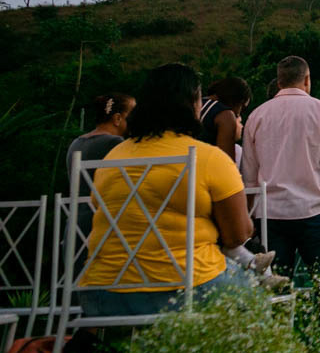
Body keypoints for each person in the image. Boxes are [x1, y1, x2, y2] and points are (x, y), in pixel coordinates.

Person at [80, 63, 253, 316]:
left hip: (103, 293)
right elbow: (238, 235)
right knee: (257, 293)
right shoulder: (208, 158)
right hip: (182, 289)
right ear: (194, 105)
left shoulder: (113, 158)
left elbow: (99, 208)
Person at [241, 55, 320, 277]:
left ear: (279, 83)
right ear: (307, 79)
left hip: (270, 215)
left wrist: (252, 217)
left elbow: (249, 178)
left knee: (275, 289)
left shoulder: (256, 116)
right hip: (312, 210)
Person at [65, 93, 135, 237]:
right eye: (133, 113)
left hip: (75, 221)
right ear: (117, 118)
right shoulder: (114, 143)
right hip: (100, 223)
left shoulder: (76, 142)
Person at [198, 77, 253, 162]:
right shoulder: (224, 115)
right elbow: (226, 162)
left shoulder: (196, 104)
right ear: (237, 101)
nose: (239, 115)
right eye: (243, 107)